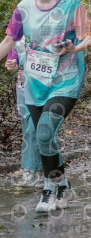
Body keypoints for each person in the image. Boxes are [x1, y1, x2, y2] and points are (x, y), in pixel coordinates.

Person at [0, 0, 91, 212]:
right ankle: (63, 184)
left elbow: (90, 36)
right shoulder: (23, 7)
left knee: (44, 131)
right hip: (35, 83)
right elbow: (9, 41)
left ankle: (47, 190)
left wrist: (75, 48)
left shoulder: (72, 5)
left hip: (66, 81)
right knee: (46, 137)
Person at [5, 38, 46, 188]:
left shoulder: (44, 33)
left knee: (33, 129)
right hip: (22, 90)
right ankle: (33, 172)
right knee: (27, 129)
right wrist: (12, 65)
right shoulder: (16, 38)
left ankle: (35, 171)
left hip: (41, 89)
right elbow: (13, 66)